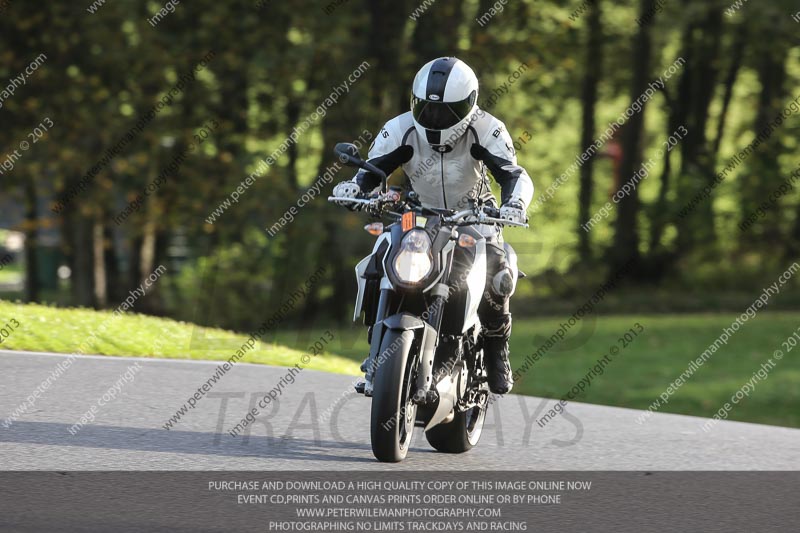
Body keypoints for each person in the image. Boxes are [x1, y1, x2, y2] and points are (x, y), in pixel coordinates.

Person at [333, 57, 533, 394]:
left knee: (498, 272)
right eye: (427, 108)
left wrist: (513, 205)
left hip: (473, 217)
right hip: (418, 214)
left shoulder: (486, 128)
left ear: (469, 104)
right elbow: (370, 171)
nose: (435, 118)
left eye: (446, 111)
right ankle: (377, 342)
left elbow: (513, 174)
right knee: (379, 254)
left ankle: (498, 351)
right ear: (415, 101)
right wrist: (355, 189)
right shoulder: (400, 129)